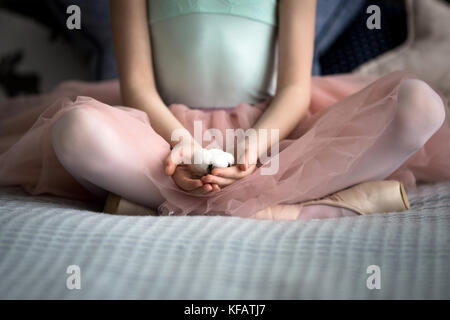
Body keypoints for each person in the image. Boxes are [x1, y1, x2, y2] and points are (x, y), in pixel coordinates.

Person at [1, 0, 449, 220]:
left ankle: (151, 202)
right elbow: (138, 86)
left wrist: (253, 148)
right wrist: (182, 146)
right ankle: (305, 205)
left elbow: (293, 89)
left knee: (419, 106)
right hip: (165, 135)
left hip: (276, 129)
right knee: (75, 130)